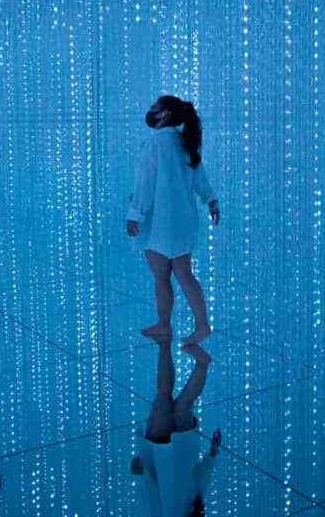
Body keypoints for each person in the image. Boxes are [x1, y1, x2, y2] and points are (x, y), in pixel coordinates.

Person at [126, 95, 221, 346]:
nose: (150, 111)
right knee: (184, 273)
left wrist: (135, 215)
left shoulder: (155, 145)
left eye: (154, 107)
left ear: (165, 114)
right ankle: (201, 324)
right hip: (183, 221)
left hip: (158, 222)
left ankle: (164, 323)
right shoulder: (185, 143)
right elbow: (199, 178)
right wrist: (211, 200)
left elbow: (145, 185)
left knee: (161, 276)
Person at [131, 336, 222, 517]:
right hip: (159, 450)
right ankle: (165, 343)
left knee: (180, 403)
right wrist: (141, 477)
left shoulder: (193, 510)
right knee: (164, 397)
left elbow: (200, 480)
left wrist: (212, 453)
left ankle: (200, 363)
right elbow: (152, 502)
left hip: (181, 449)